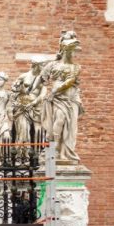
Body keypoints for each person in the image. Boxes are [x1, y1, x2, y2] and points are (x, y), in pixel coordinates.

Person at [41, 31, 84, 163]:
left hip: (72, 99)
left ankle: (65, 152)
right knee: (59, 120)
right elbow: (42, 80)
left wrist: (54, 91)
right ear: (65, 50)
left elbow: (70, 81)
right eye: (72, 50)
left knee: (71, 127)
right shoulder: (53, 65)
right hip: (58, 99)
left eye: (75, 51)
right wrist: (45, 94)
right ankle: (52, 150)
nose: (74, 54)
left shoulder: (76, 67)